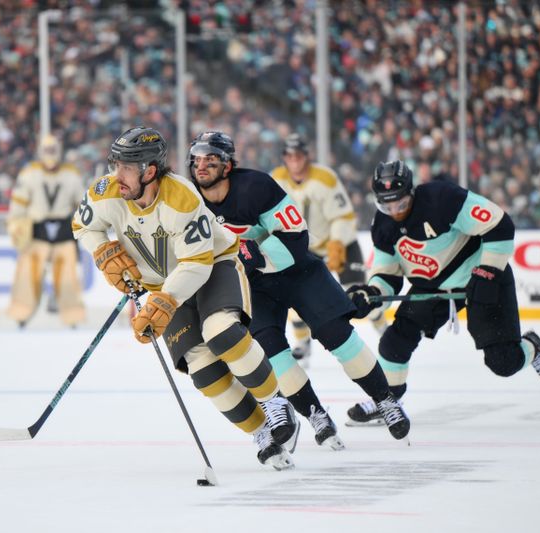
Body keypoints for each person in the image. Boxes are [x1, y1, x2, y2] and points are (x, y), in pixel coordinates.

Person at [71, 126, 300, 471]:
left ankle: (274, 403)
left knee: (222, 332)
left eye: (126, 167)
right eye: (115, 164)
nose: (117, 175)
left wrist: (163, 302)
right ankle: (261, 433)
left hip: (212, 266)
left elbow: (195, 263)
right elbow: (82, 225)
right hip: (163, 285)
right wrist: (102, 249)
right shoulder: (106, 192)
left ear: (150, 171)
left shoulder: (182, 197)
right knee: (202, 367)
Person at [187, 131, 410, 447]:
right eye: (197, 159)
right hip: (254, 285)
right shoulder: (188, 200)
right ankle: (316, 414)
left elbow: (296, 236)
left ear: (227, 165)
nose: (202, 165)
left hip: (297, 270)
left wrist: (255, 254)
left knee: (337, 334)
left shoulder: (256, 186)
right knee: (272, 353)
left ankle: (385, 399)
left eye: (212, 159)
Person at [345, 160, 540, 425]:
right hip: (433, 288)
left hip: (481, 276)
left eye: (400, 204)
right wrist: (371, 293)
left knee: (503, 362)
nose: (395, 212)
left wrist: (487, 272)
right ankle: (389, 400)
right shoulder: (383, 225)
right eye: (386, 205)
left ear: (412, 192)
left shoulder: (442, 199)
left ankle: (533, 349)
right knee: (393, 343)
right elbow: (388, 274)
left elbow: (499, 224)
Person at [270, 133, 387, 364]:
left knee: (358, 292)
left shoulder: (325, 178)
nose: (294, 160)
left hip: (339, 243)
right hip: (302, 249)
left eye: (299, 155)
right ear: (284, 158)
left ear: (307, 156)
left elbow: (343, 215)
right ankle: (303, 341)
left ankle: (384, 329)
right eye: (290, 156)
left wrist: (336, 243)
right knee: (294, 292)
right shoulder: (275, 179)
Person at [7, 134, 86, 328]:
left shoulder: (72, 174)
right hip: (36, 231)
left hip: (64, 231)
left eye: (53, 150)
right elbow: (18, 206)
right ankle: (21, 315)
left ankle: (72, 317)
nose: (50, 155)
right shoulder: (29, 173)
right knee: (27, 275)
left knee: (68, 277)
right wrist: (16, 226)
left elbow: (82, 206)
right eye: (47, 150)